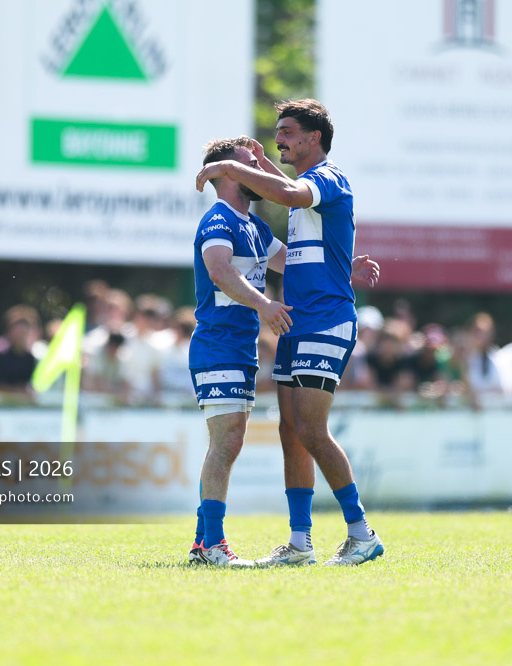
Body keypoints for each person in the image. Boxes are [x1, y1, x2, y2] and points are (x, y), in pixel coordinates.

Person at [196, 99, 383, 567]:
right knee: (290, 431)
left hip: (324, 318)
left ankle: (361, 533)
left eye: (286, 131)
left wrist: (229, 165)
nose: (277, 139)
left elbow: (293, 195)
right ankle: (301, 543)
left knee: (311, 429)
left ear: (313, 137)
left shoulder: (325, 178)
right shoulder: (268, 209)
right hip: (298, 324)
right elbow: (296, 250)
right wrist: (344, 262)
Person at [187, 136, 288, 567]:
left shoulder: (255, 225)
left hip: (238, 349)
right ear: (229, 174)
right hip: (218, 346)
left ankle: (202, 543)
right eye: (250, 164)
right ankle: (212, 546)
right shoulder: (218, 221)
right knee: (226, 443)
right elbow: (219, 270)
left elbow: (295, 260)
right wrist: (264, 304)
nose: (259, 171)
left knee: (228, 442)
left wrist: (345, 263)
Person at [0, 305, 41, 394]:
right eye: (18, 331)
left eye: (23, 332)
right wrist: (17, 392)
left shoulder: (29, 358)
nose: (20, 336)